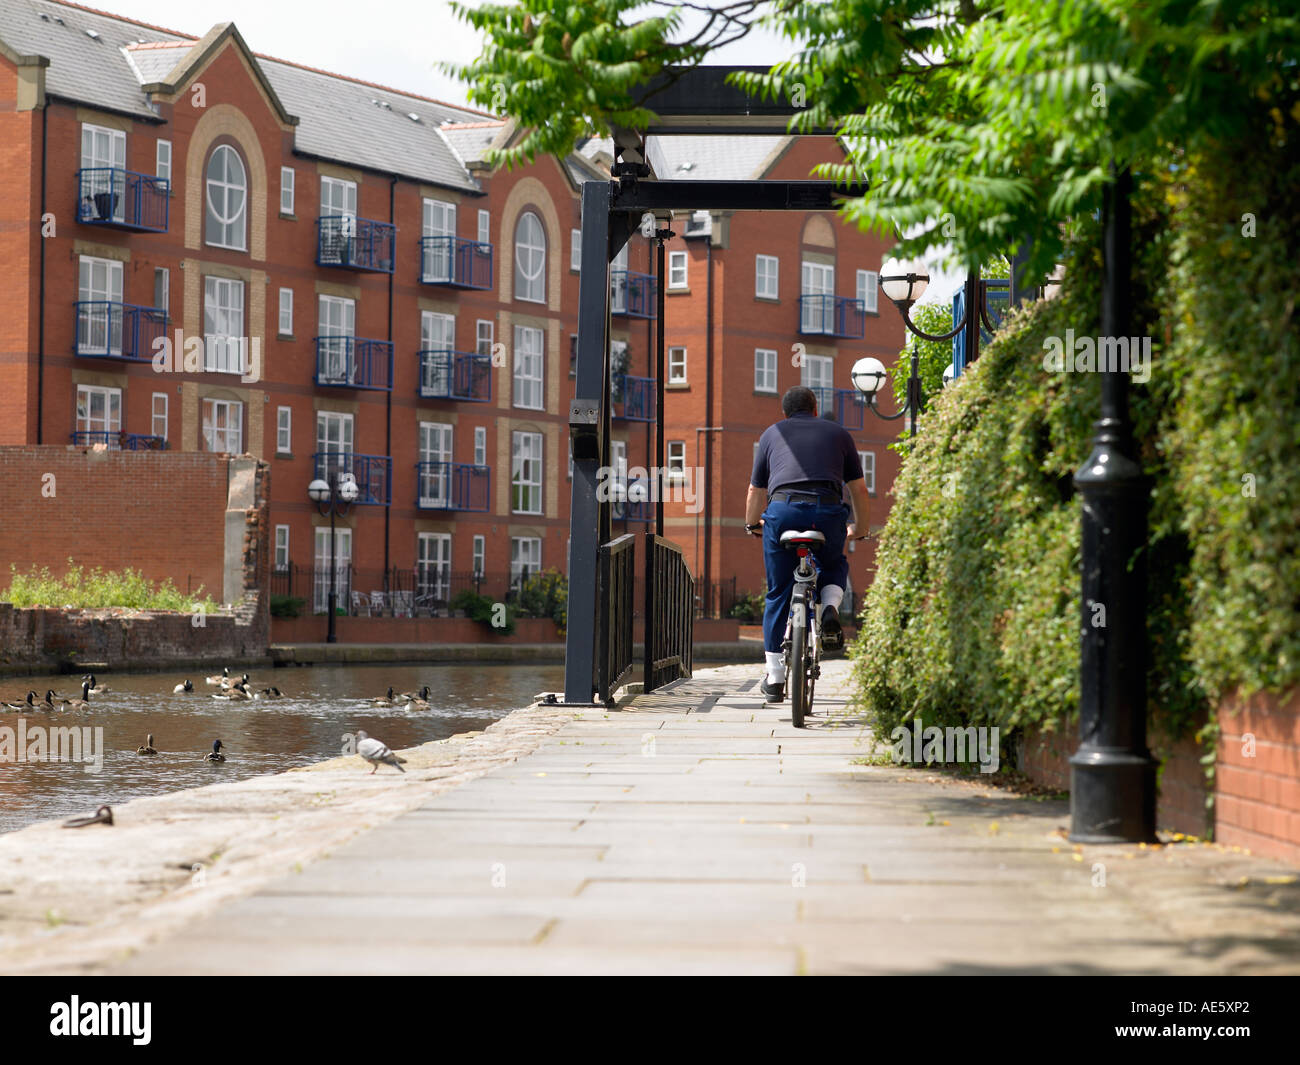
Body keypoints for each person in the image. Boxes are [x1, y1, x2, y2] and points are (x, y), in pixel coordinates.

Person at [745, 385, 870, 702]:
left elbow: (755, 492)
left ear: (785, 413)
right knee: (834, 564)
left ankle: (774, 679)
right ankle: (829, 608)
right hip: (826, 513)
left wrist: (751, 524)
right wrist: (861, 529)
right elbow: (858, 489)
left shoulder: (772, 433)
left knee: (778, 591)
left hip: (782, 512)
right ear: (815, 409)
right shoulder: (839, 433)